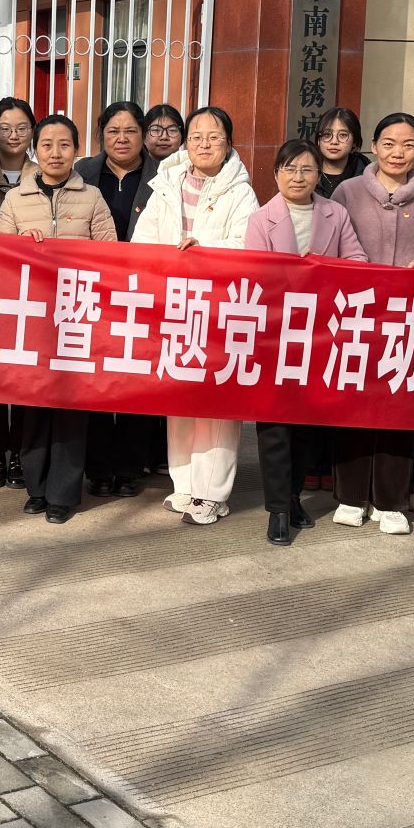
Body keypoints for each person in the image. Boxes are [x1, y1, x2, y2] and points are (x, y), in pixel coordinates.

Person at [331, 113, 414, 534]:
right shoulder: (348, 192)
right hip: (355, 313)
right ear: (373, 147)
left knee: (399, 408)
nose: (397, 153)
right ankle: (351, 496)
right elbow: (331, 244)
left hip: (407, 316)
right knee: (352, 406)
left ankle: (391, 500)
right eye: (388, 143)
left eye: (407, 145)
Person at [135, 106, 258, 525]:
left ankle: (213, 493)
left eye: (214, 136)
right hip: (175, 306)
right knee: (180, 396)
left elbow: (246, 245)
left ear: (229, 143)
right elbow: (143, 241)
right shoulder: (165, 184)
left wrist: (201, 248)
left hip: (222, 308)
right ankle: (185, 485)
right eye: (196, 137)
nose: (204, 144)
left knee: (217, 402)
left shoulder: (241, 191)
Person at [246, 139, 368, 545]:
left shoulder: (336, 213)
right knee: (274, 425)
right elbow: (254, 275)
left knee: (307, 424)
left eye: (306, 169)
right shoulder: (260, 219)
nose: (297, 177)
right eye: (289, 169)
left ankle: (294, 496)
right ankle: (278, 510)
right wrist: (294, 273)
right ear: (276, 174)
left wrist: (325, 267)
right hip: (275, 334)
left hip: (320, 334)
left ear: (319, 175)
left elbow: (358, 261)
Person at [0, 115, 117, 523]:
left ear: (76, 150)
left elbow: (111, 254)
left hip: (76, 317)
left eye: (64, 144)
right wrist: (20, 245)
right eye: (47, 144)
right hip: (31, 318)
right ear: (36, 149)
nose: (55, 153)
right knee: (33, 404)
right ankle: (36, 487)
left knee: (70, 408)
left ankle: (63, 494)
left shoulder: (93, 197)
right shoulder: (16, 199)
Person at [77, 101, 157, 496]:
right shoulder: (83, 173)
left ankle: (129, 467)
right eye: (113, 131)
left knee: (135, 380)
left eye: (130, 131)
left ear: (143, 135)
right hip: (94, 290)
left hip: (145, 291)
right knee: (94, 379)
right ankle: (97, 468)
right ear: (101, 136)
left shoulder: (164, 176)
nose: (121, 138)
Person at [0, 96, 38, 490]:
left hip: (31, 290)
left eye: (21, 128)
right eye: (4, 128)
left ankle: (20, 452)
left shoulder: (44, 173)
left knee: (26, 375)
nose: (13, 135)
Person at [314, 107, 369, 198]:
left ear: (354, 141)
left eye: (343, 135)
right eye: (327, 134)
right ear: (318, 140)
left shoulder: (368, 176)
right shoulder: (306, 173)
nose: (334, 141)